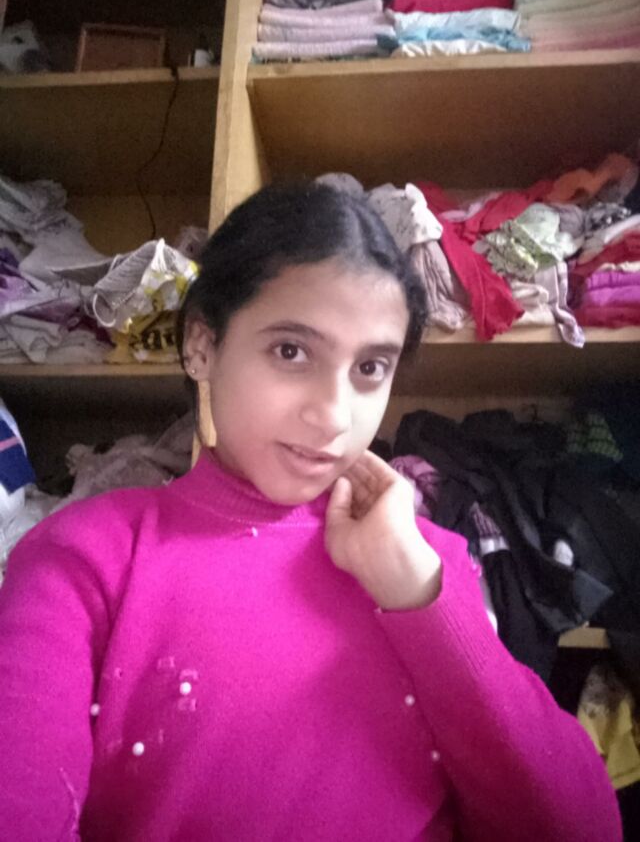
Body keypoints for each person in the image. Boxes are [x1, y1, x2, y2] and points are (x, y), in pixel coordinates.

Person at [0, 182, 621, 841]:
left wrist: (421, 597)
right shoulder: (87, 557)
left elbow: (580, 827)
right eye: (291, 351)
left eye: (370, 367)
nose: (333, 415)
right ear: (202, 344)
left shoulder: (426, 561)